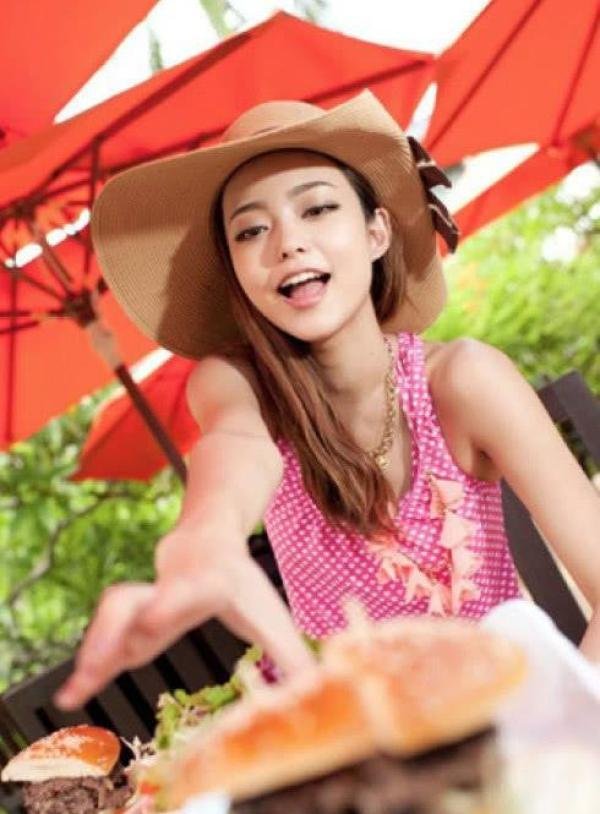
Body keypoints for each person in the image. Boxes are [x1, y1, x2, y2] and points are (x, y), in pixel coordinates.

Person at [55, 90, 600, 711]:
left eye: (317, 209)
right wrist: (207, 536)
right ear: (236, 272)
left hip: (502, 726)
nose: (287, 243)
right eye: (251, 230)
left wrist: (563, 726)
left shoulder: (464, 381)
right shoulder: (237, 386)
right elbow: (234, 449)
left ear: (376, 231)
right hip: (337, 735)